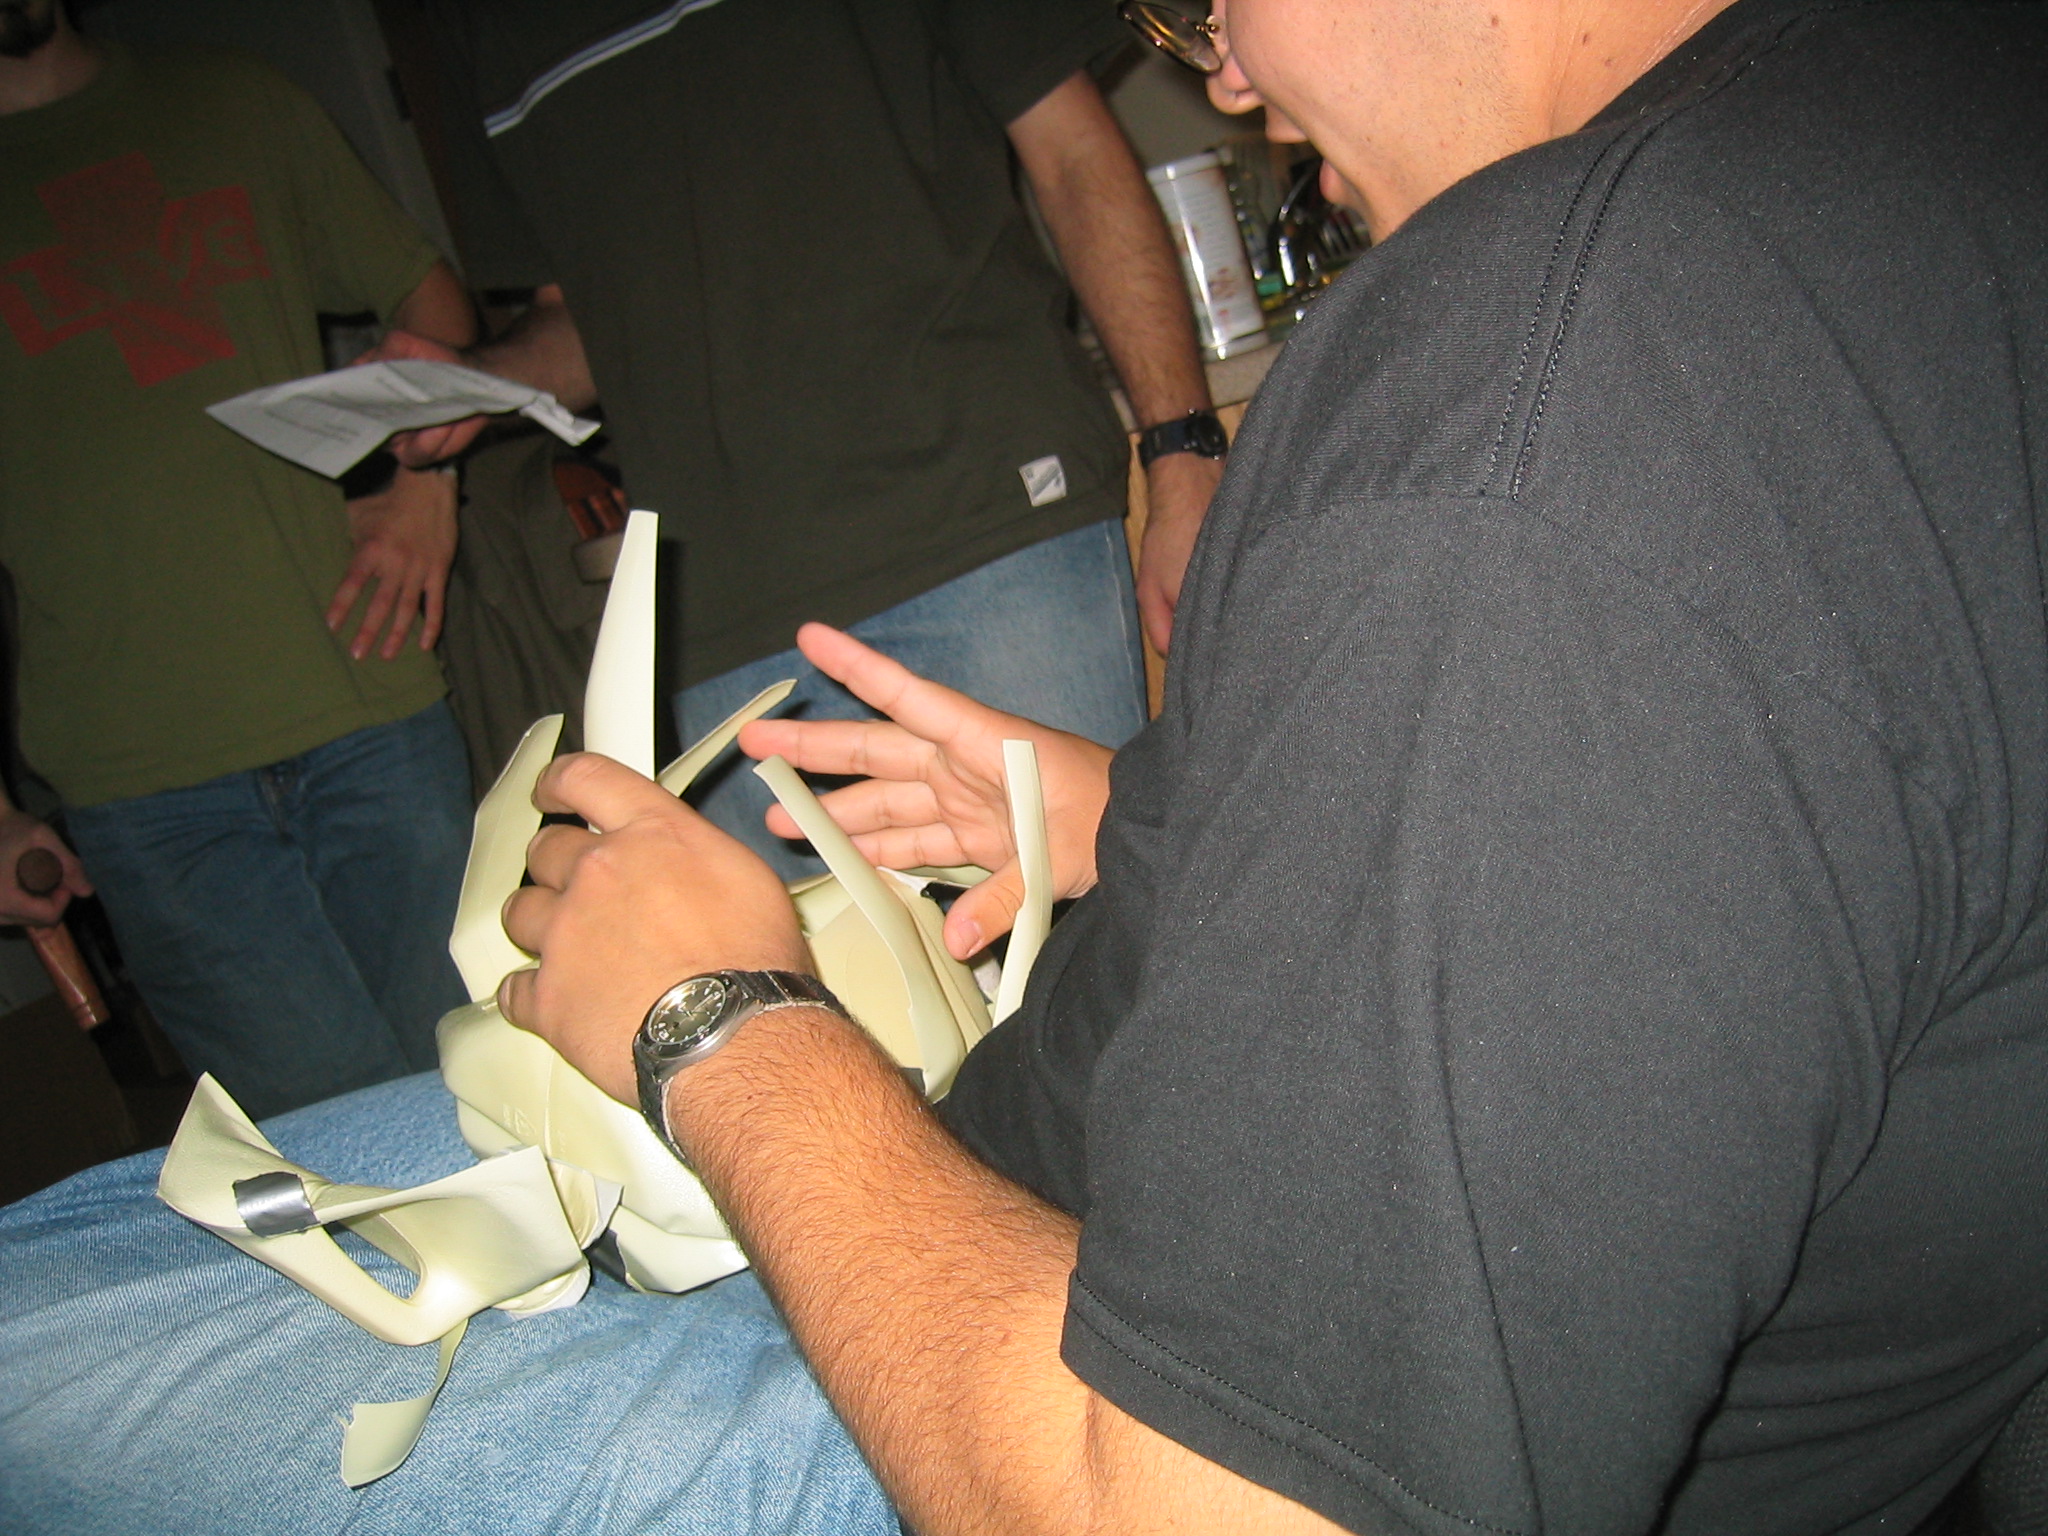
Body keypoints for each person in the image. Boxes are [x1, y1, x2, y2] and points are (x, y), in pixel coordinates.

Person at [3, 0, 2045, 1531]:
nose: (1222, 69)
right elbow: (1717, 859)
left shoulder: (1553, 376)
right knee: (101, 1246)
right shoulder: (1929, 134)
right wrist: (1145, 817)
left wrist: (718, 1024)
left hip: (1011, 1395)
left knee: (44, 1343)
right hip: (1039, 1217)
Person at [367, 0, 1226, 875]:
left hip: (989, 522)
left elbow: (1073, 153)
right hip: (716, 610)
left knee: (1101, 938)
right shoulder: (473, 25)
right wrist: (470, 384)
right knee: (803, 975)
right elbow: (576, 324)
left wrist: (1183, 450)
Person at [0, 1, 479, 1117]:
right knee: (339, 1152)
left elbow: (434, 306)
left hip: (368, 704)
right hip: (143, 784)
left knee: (502, 1087)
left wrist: (427, 483)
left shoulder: (236, 103)